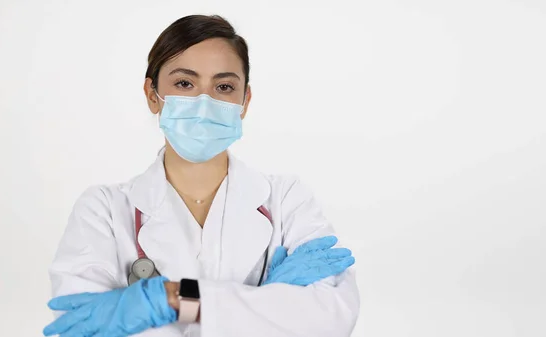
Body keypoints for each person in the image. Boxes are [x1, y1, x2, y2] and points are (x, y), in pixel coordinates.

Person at [42, 14, 360, 337]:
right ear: (153, 95)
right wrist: (269, 307)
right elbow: (78, 325)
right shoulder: (103, 211)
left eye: (223, 86)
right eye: (184, 83)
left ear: (244, 102)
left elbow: (330, 320)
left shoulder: (288, 200)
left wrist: (176, 300)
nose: (204, 102)